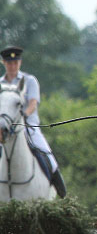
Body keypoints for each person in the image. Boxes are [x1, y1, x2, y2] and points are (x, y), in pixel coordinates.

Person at [0, 46, 67, 197]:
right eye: (10, 63)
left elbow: (32, 103)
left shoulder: (30, 81)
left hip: (28, 126)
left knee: (47, 154)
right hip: (3, 127)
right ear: (4, 63)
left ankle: (61, 192)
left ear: (20, 62)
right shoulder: (0, 84)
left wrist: (22, 115)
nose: (13, 66)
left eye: (16, 62)